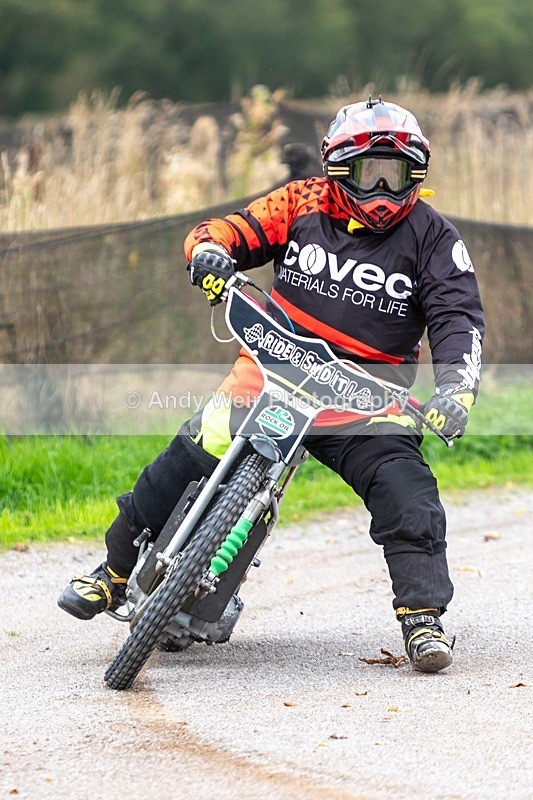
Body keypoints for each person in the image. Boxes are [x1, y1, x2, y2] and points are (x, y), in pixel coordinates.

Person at [58, 97, 484, 673]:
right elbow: (227, 231)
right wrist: (209, 254)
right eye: (369, 173)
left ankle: (423, 619)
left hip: (363, 400)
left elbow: (459, 319)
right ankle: (111, 572)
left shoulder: (435, 238)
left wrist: (455, 391)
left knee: (406, 489)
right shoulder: (301, 201)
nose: (383, 190)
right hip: (270, 369)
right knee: (189, 453)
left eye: (398, 174)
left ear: (418, 175)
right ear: (339, 169)